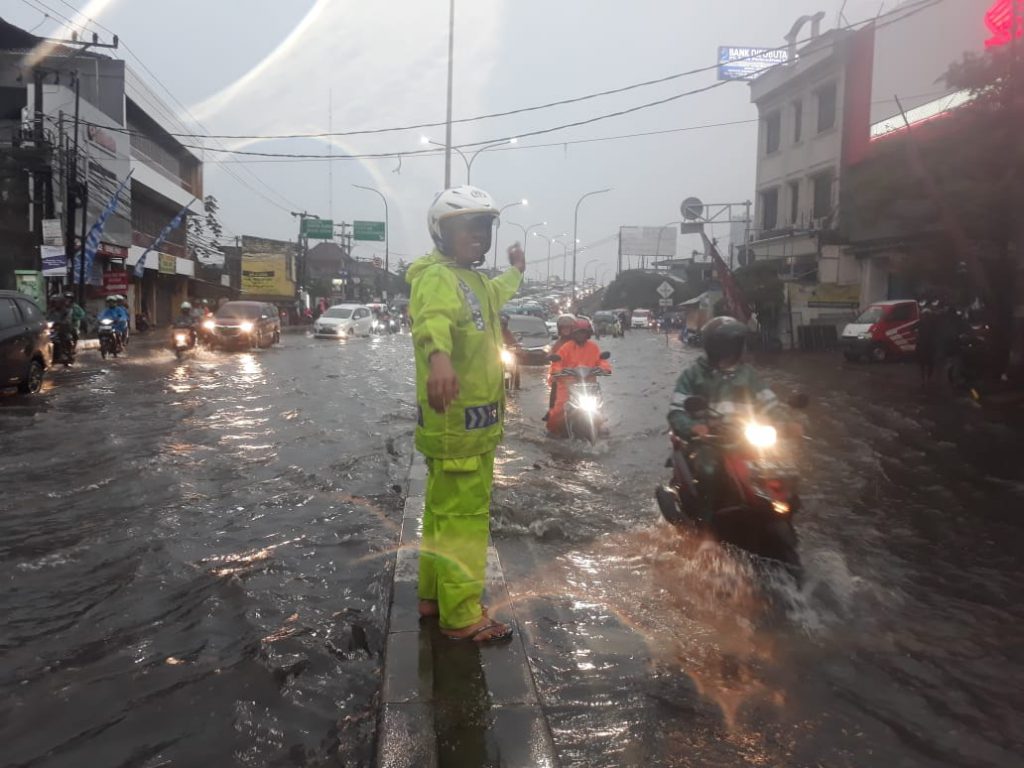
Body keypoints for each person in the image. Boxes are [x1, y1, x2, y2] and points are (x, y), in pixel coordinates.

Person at [407, 185, 525, 644]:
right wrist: (439, 357)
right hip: (460, 429)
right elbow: (431, 319)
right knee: (465, 523)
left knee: (441, 516)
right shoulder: (438, 277)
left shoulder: (469, 279)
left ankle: (434, 597)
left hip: (463, 428)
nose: (476, 236)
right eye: (465, 228)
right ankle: (461, 617)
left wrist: (516, 273)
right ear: (441, 233)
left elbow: (491, 297)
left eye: (483, 227)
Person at [667, 316, 781, 523]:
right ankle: (707, 531)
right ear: (715, 347)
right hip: (708, 441)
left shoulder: (748, 375)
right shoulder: (693, 375)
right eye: (728, 346)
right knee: (709, 469)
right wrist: (694, 427)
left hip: (744, 438)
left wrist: (788, 423)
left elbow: (770, 403)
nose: (733, 351)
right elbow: (676, 412)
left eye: (735, 345)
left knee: (782, 466)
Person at [546, 317, 611, 436]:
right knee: (557, 413)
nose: (581, 335)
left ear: (588, 334)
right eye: (578, 333)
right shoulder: (565, 347)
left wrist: (604, 368)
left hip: (589, 387)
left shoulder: (594, 347)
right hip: (567, 387)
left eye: (583, 333)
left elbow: (601, 361)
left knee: (598, 407)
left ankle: (599, 424)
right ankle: (553, 430)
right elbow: (557, 363)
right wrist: (558, 370)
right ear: (574, 334)